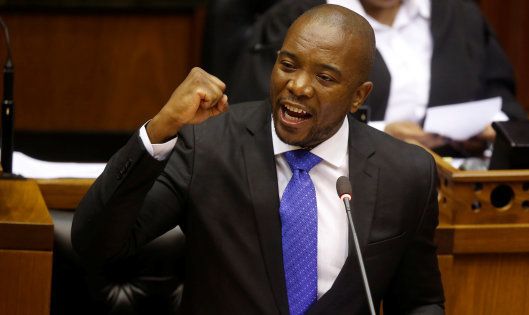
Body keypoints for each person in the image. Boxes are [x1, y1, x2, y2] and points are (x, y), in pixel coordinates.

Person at [72, 4, 444, 315]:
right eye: (288, 64)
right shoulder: (208, 144)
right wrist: (159, 130)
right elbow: (97, 243)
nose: (298, 86)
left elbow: (419, 302)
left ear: (358, 97)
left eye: (325, 78)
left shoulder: (406, 173)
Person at [228, 0, 527, 156]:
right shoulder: (300, 18)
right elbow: (256, 123)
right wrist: (381, 135)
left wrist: (486, 132)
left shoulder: (461, 17)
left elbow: (505, 106)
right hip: (341, 184)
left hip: (455, 189)